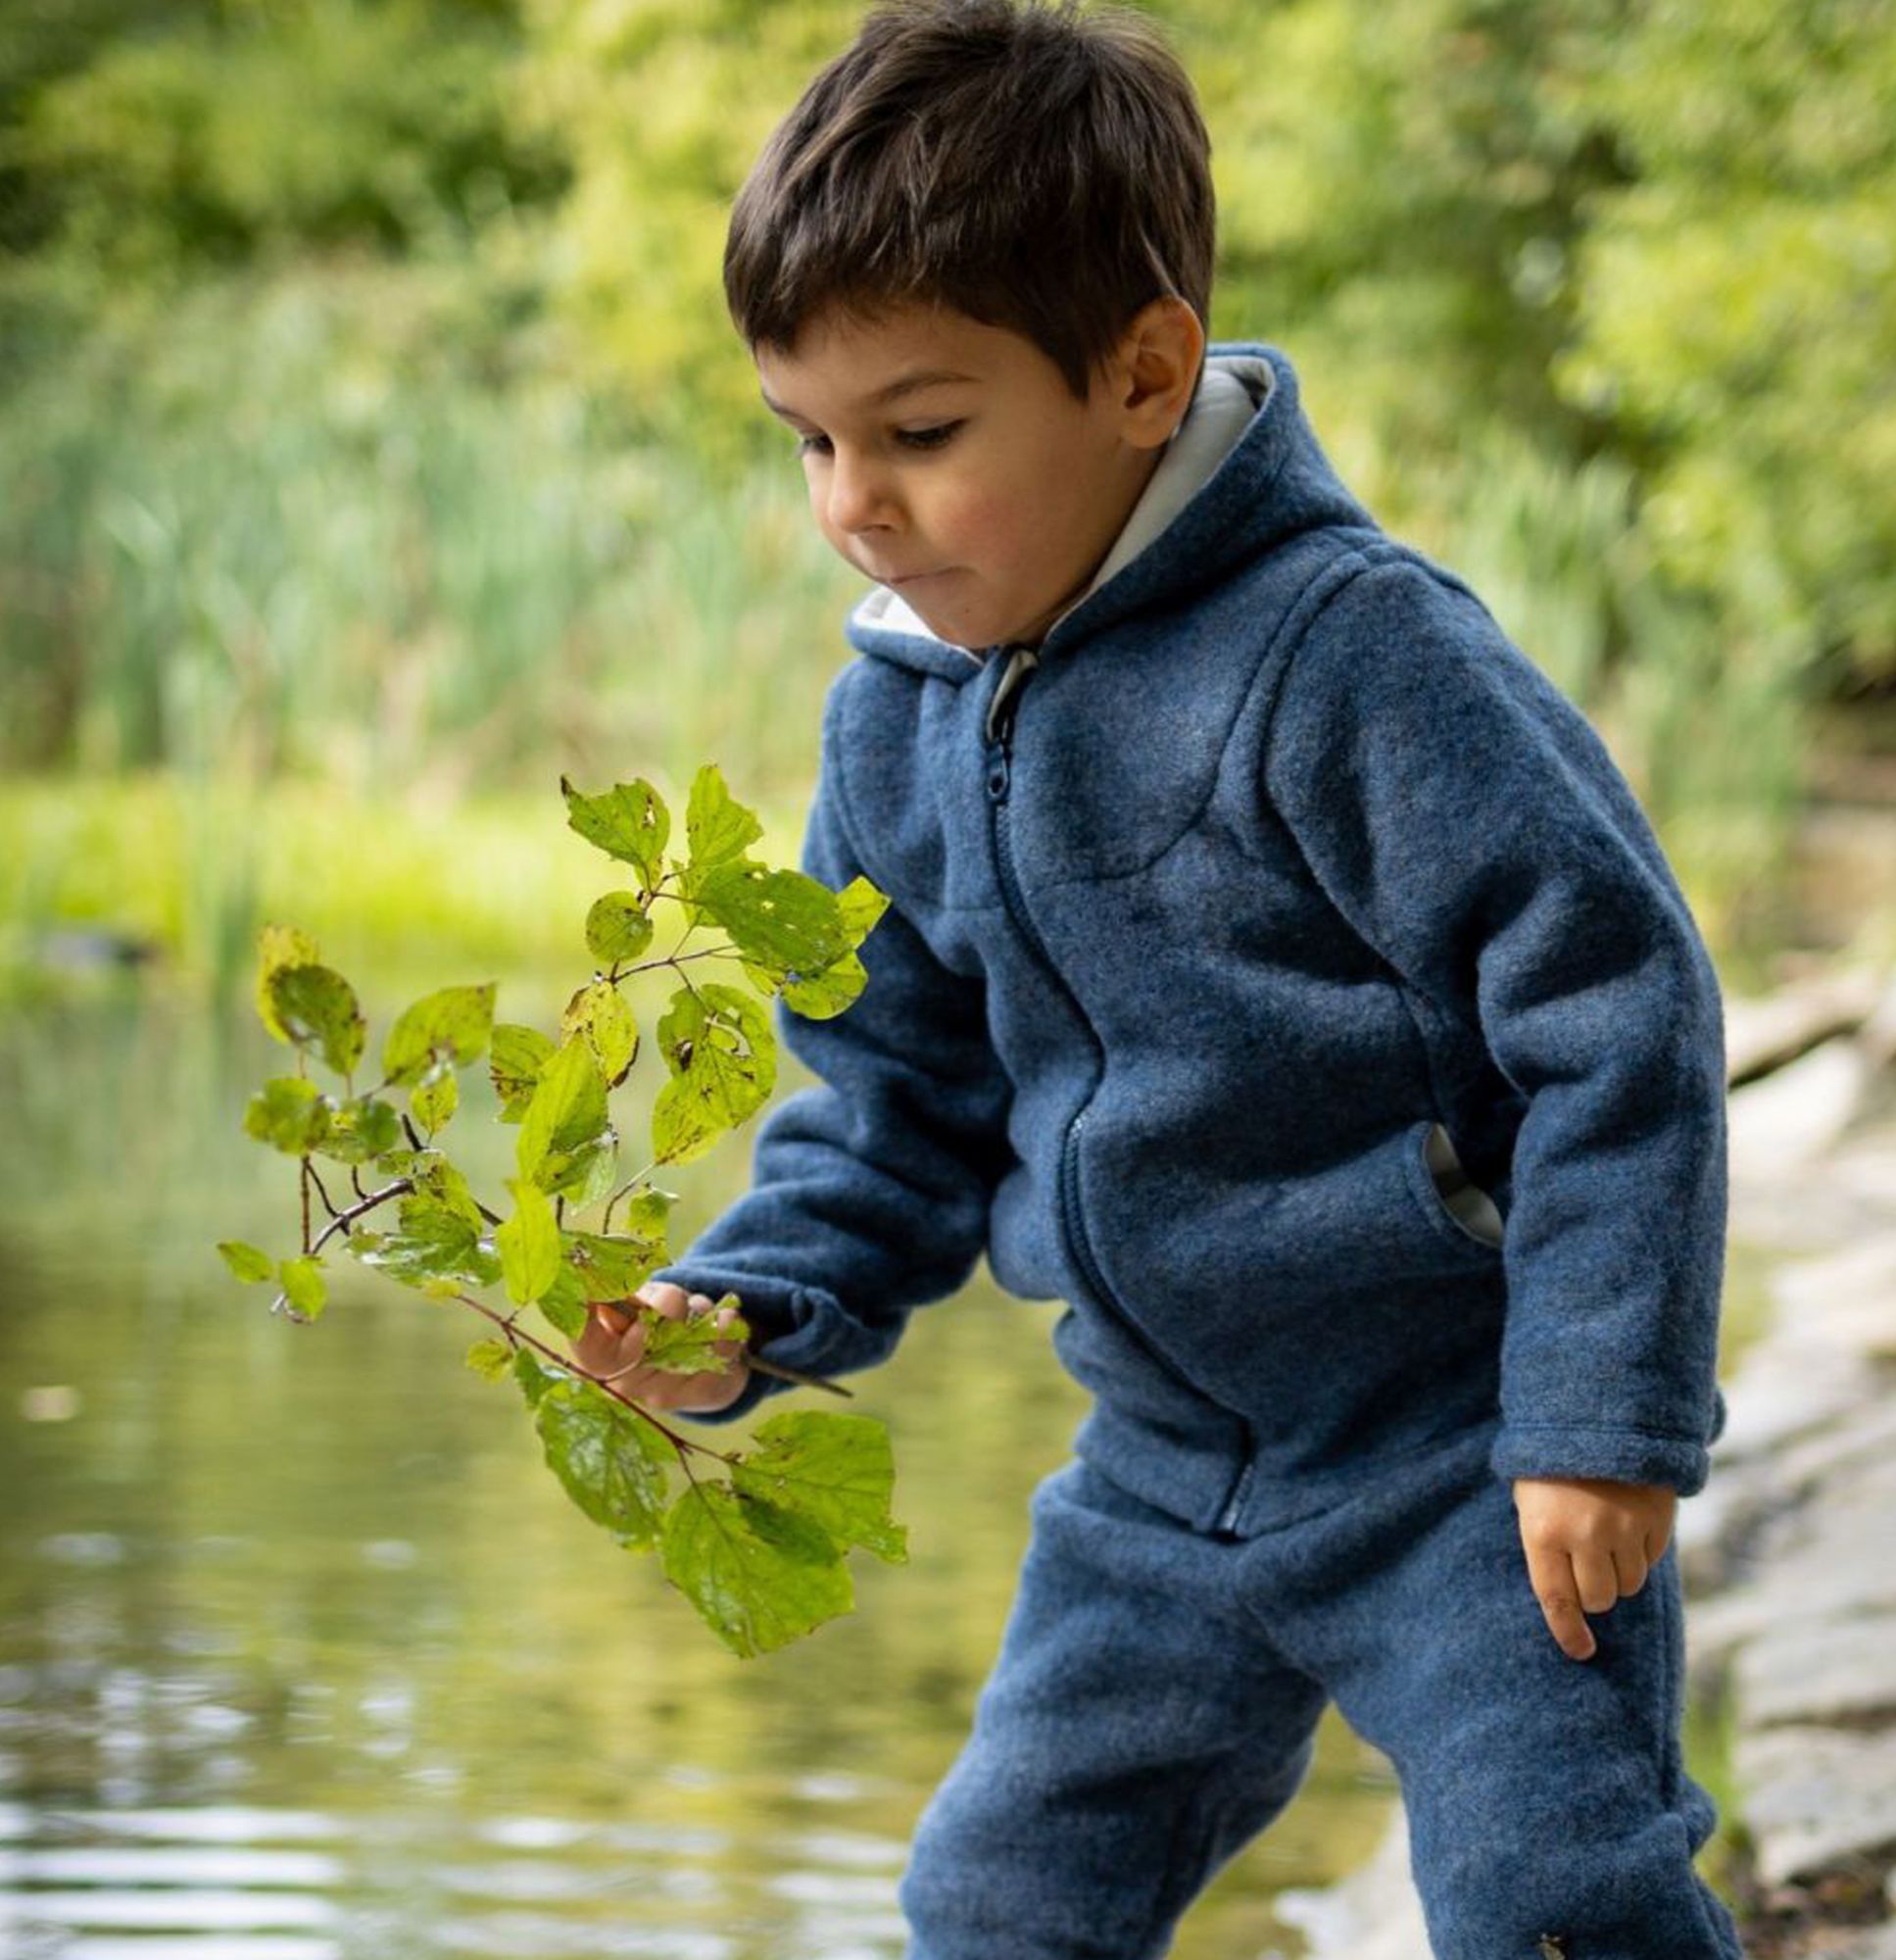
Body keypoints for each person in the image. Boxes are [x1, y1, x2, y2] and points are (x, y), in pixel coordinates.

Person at [573, 3, 1747, 1954]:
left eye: (921, 433)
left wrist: (1597, 1415)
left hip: (1459, 1456)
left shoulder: (1354, 657)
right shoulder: (895, 728)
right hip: (1157, 1476)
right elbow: (892, 1105)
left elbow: (1615, 1015)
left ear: (1140, 375)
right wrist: (750, 1307)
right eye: (810, 438)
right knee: (997, 1905)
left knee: (1559, 1893)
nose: (851, 501)